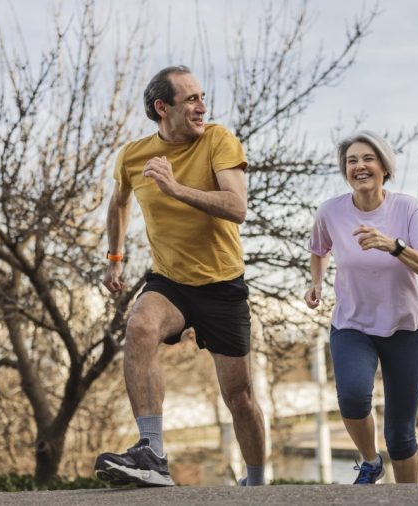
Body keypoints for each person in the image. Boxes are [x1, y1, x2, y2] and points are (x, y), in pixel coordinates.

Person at [94, 65, 266, 487]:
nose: (201, 106)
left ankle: (258, 483)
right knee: (140, 325)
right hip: (170, 282)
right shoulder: (134, 155)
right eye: (190, 99)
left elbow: (237, 206)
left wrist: (176, 190)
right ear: (161, 108)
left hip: (222, 285)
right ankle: (152, 453)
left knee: (239, 398)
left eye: (202, 96)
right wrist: (115, 256)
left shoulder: (218, 140)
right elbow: (118, 203)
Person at [304, 131, 418, 484]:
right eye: (351, 161)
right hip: (353, 324)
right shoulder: (331, 212)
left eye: (367, 158)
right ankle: (370, 462)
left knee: (400, 435)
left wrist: (394, 246)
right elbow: (318, 249)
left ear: (384, 166)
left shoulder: (408, 209)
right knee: (352, 398)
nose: (359, 166)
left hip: (406, 329)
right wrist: (317, 282)